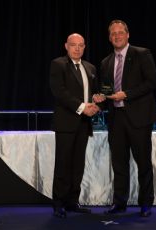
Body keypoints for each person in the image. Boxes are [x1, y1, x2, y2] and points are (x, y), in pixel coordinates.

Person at [96, 19, 156, 217]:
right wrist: (100, 98)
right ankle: (119, 202)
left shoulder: (141, 54)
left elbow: (152, 82)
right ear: (109, 37)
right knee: (119, 164)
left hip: (139, 118)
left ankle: (146, 203)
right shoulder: (105, 62)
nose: (117, 36)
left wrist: (127, 94)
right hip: (116, 119)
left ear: (128, 34)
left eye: (120, 32)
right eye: (113, 33)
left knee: (143, 163)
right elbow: (107, 92)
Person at [50, 33, 100, 218]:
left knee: (77, 165)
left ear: (85, 47)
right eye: (73, 45)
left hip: (84, 124)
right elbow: (59, 92)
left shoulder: (90, 67)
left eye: (81, 45)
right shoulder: (58, 64)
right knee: (63, 164)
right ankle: (58, 203)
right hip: (66, 122)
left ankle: (72, 202)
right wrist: (82, 107)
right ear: (66, 46)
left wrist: (96, 102)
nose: (77, 48)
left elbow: (94, 93)